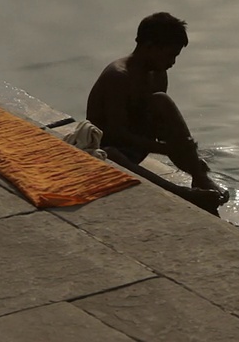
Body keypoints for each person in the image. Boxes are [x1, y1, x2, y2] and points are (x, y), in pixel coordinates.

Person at [86, 12, 229, 215]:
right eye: (170, 55)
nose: (172, 62)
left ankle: (200, 176)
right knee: (111, 154)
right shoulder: (118, 77)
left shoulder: (158, 75)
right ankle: (182, 193)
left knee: (162, 100)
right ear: (149, 47)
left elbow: (159, 119)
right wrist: (164, 148)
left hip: (138, 144)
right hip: (110, 149)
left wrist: (184, 148)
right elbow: (116, 133)